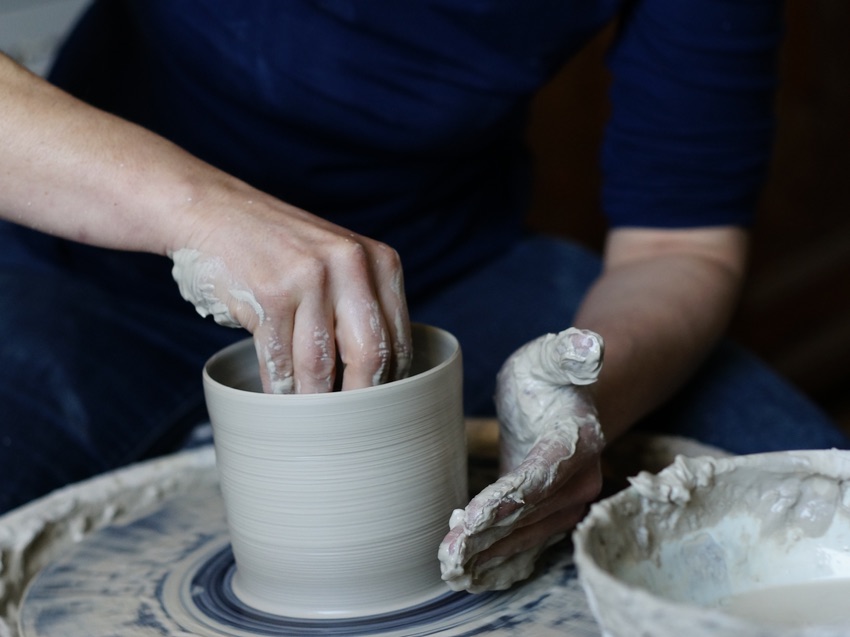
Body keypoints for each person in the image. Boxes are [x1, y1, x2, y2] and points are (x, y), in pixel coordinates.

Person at [0, 0, 847, 591]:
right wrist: (200, 211)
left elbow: (678, 243)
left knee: (815, 510)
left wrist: (586, 398)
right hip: (85, 257)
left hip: (446, 277)